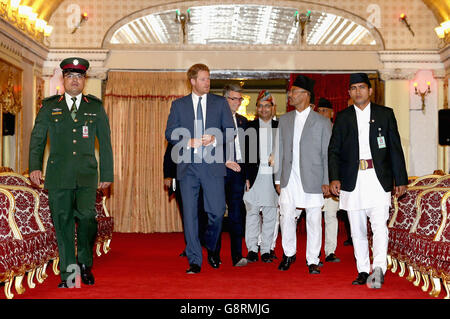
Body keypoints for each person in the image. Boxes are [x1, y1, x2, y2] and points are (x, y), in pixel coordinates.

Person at [29, 57, 114, 288]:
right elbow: (37, 139)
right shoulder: (49, 106)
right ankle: (68, 274)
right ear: (63, 79)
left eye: (79, 76)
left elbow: (105, 143)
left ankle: (85, 262)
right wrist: (34, 165)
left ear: (84, 80)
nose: (74, 80)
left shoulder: (94, 107)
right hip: (58, 175)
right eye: (70, 76)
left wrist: (107, 173)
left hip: (87, 175)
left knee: (87, 218)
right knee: (63, 222)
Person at [328, 73, 408, 288]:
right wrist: (334, 177)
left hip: (377, 178)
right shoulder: (343, 117)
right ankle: (363, 270)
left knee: (379, 226)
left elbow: (395, 149)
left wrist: (400, 178)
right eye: (353, 88)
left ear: (370, 91)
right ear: (349, 93)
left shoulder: (385, 114)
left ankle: (379, 268)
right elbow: (334, 150)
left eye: (362, 87)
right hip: (352, 180)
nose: (358, 91)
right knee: (357, 229)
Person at [165, 63, 235, 274]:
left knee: (216, 212)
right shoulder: (179, 105)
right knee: (190, 215)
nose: (208, 83)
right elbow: (170, 132)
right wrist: (188, 140)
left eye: (209, 78)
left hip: (212, 166)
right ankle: (195, 259)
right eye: (203, 79)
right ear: (193, 81)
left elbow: (231, 132)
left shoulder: (220, 103)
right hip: (188, 168)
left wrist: (215, 138)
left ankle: (212, 248)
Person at [273, 75, 331, 274]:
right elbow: (279, 149)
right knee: (286, 216)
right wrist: (278, 178)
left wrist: (326, 181)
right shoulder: (285, 120)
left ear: (306, 95)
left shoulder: (322, 122)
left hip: (313, 179)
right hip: (289, 178)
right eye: (291, 92)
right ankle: (289, 254)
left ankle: (313, 259)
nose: (290, 95)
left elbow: (326, 154)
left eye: (294, 92)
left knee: (314, 219)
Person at [215, 83, 248, 267]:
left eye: (239, 99)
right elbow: (209, 150)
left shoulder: (243, 121)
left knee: (236, 215)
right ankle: (215, 254)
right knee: (217, 214)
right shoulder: (214, 121)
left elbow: (249, 153)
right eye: (234, 98)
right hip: (219, 173)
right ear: (225, 99)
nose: (237, 102)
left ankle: (237, 255)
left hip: (238, 173)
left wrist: (248, 176)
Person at [244, 90, 279, 263]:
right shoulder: (249, 128)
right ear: (257, 108)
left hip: (273, 179)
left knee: (270, 215)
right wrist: (245, 177)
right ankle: (251, 249)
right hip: (254, 178)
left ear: (273, 108)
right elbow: (243, 156)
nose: (264, 109)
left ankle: (266, 250)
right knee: (252, 214)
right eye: (261, 106)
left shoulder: (280, 127)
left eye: (267, 106)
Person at [163, 143, 207, 257]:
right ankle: (190, 247)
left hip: (202, 179)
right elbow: (169, 155)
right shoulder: (177, 132)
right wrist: (167, 175)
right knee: (186, 215)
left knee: (201, 213)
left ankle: (204, 244)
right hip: (180, 178)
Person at [316, 97, 340, 263]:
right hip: (316, 181)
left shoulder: (338, 130)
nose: (322, 113)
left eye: (325, 110)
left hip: (333, 180)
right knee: (315, 217)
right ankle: (314, 252)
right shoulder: (313, 130)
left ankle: (330, 251)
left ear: (332, 113)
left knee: (331, 216)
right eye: (319, 111)